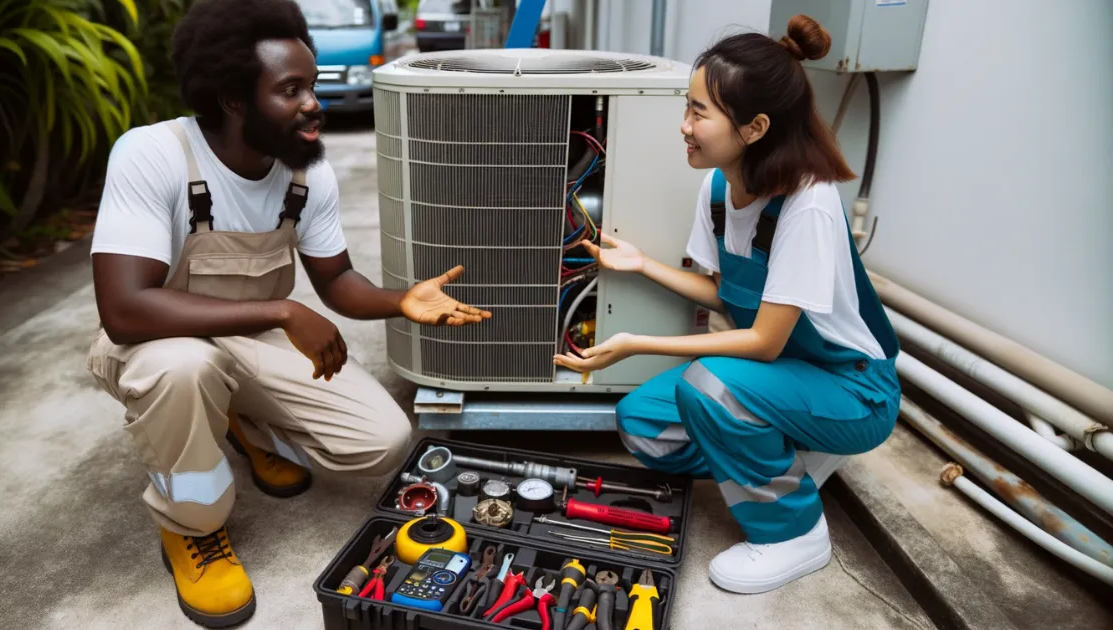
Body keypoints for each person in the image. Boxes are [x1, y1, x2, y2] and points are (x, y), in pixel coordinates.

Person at [85, 0, 490, 625]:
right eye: (291, 89)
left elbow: (336, 280)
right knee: (186, 369)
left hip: (248, 339)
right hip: (155, 344)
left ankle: (241, 421)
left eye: (313, 84)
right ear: (233, 99)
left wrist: (400, 300)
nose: (313, 104)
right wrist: (283, 309)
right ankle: (190, 525)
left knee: (383, 441)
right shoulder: (153, 155)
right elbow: (125, 310)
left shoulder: (306, 173)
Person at [553, 15, 901, 595]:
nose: (683, 127)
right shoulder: (720, 187)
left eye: (699, 112)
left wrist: (635, 343)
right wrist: (643, 265)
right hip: (780, 376)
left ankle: (794, 533)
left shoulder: (807, 204)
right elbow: (727, 294)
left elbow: (762, 339)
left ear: (756, 126)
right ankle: (783, 454)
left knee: (709, 387)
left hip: (853, 390)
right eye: (687, 107)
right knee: (642, 427)